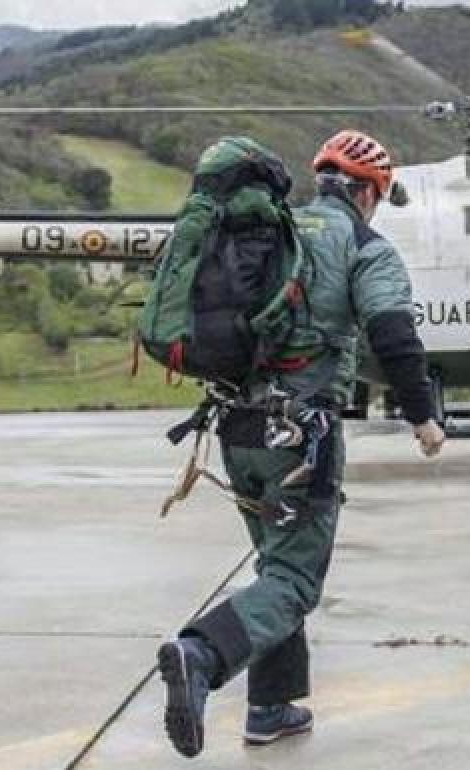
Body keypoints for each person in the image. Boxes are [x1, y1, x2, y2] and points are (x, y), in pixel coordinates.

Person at [157, 130, 446, 758]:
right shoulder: (365, 246)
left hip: (236, 431)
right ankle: (200, 654)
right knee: (292, 580)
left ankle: (270, 709)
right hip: (300, 438)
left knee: (275, 566)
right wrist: (423, 418)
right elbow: (393, 335)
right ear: (368, 192)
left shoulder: (273, 234)